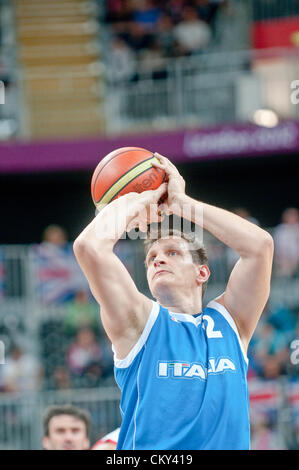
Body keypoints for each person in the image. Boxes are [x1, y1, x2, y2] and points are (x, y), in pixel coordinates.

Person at [73, 153, 274, 450]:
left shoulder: (231, 322)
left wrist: (183, 204)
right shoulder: (141, 322)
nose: (158, 260)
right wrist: (136, 200)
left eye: (173, 253)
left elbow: (260, 246)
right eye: (152, 257)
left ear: (202, 272)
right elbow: (89, 247)